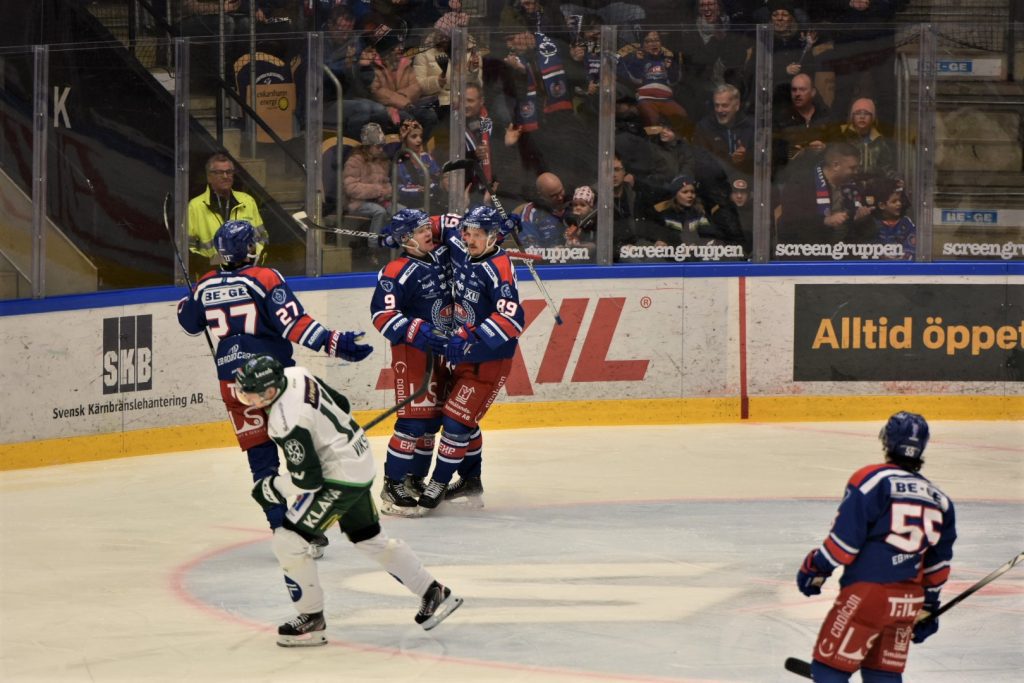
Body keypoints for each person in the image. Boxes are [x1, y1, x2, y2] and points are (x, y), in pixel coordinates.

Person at [234, 355, 462, 646]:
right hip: (359, 460)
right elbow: (341, 404)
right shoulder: (297, 373)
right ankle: (434, 592)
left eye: (250, 392)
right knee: (368, 538)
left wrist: (272, 487)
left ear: (269, 391)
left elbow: (308, 482)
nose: (246, 397)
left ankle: (312, 620)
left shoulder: (283, 420)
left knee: (288, 541)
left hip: (340, 477)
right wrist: (334, 438)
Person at [177, 220, 373, 541]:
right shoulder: (266, 277)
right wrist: (335, 342)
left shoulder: (206, 284)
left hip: (233, 383)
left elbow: (188, 323)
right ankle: (306, 523)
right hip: (273, 381)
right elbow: (294, 325)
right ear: (250, 249)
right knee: (302, 450)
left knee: (262, 461)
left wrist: (190, 298)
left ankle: (280, 526)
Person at [796, 411, 956, 682]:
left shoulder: (873, 480)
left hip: (867, 597)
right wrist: (928, 606)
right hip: (906, 603)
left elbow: (845, 543)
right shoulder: (940, 499)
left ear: (887, 441)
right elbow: (938, 565)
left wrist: (815, 567)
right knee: (883, 675)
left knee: (828, 669)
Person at [424, 205, 525, 512]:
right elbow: (437, 223)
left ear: (494, 237)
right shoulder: (460, 240)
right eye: (468, 232)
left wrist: (470, 335)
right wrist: (400, 235)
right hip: (460, 355)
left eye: (478, 235)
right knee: (460, 419)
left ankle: (437, 484)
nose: (469, 239)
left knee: (456, 423)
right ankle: (470, 480)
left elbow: (513, 320)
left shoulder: (499, 269)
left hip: (489, 360)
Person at [369, 209, 453, 516]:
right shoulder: (395, 271)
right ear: (405, 240)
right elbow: (382, 315)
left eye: (426, 228)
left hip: (443, 350)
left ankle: (415, 479)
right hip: (413, 352)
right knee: (413, 421)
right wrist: (419, 331)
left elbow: (456, 224)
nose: (427, 233)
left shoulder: (441, 256)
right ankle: (392, 484)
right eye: (419, 231)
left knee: (431, 423)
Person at [775, 142, 872, 252]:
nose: (856, 172)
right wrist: (824, 220)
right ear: (836, 165)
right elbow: (791, 219)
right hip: (807, 250)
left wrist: (859, 219)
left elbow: (864, 231)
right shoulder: (802, 181)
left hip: (845, 249)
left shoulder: (855, 185)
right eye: (852, 168)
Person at [187, 153, 267, 272]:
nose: (225, 176)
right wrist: (217, 263)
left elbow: (262, 238)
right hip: (213, 274)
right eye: (219, 172)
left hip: (247, 272)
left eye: (229, 172)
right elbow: (188, 250)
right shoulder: (195, 206)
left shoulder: (247, 201)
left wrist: (249, 258)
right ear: (209, 177)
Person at [342, 122, 394, 237]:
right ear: (368, 145)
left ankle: (397, 246)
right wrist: (377, 190)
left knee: (401, 211)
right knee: (379, 212)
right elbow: (351, 188)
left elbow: (386, 183)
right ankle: (373, 246)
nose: (381, 150)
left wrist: (387, 192)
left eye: (382, 146)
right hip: (357, 203)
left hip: (380, 201)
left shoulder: (382, 161)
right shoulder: (354, 161)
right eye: (378, 146)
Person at [694, 83, 756, 178]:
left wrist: (745, 157)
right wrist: (731, 161)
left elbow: (762, 160)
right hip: (716, 186)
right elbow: (701, 163)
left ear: (737, 106)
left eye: (725, 105)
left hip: (749, 183)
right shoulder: (704, 127)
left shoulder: (751, 127)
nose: (719, 110)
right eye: (717, 105)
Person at [838, 97, 897, 182]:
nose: (862, 117)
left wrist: (896, 179)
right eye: (858, 113)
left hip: (873, 187)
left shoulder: (880, 141)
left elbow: (886, 168)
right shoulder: (842, 137)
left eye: (866, 113)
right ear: (852, 117)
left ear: (873, 118)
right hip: (847, 185)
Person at [515, 172, 570, 248]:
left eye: (561, 191)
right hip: (546, 257)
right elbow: (529, 247)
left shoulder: (574, 204)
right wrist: (550, 252)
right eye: (554, 196)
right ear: (541, 195)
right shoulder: (531, 212)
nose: (560, 197)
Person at [870, 178, 915, 260]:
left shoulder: (905, 222)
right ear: (882, 205)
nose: (899, 204)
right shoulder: (873, 224)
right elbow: (869, 248)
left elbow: (912, 244)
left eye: (900, 200)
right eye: (894, 201)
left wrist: (904, 256)